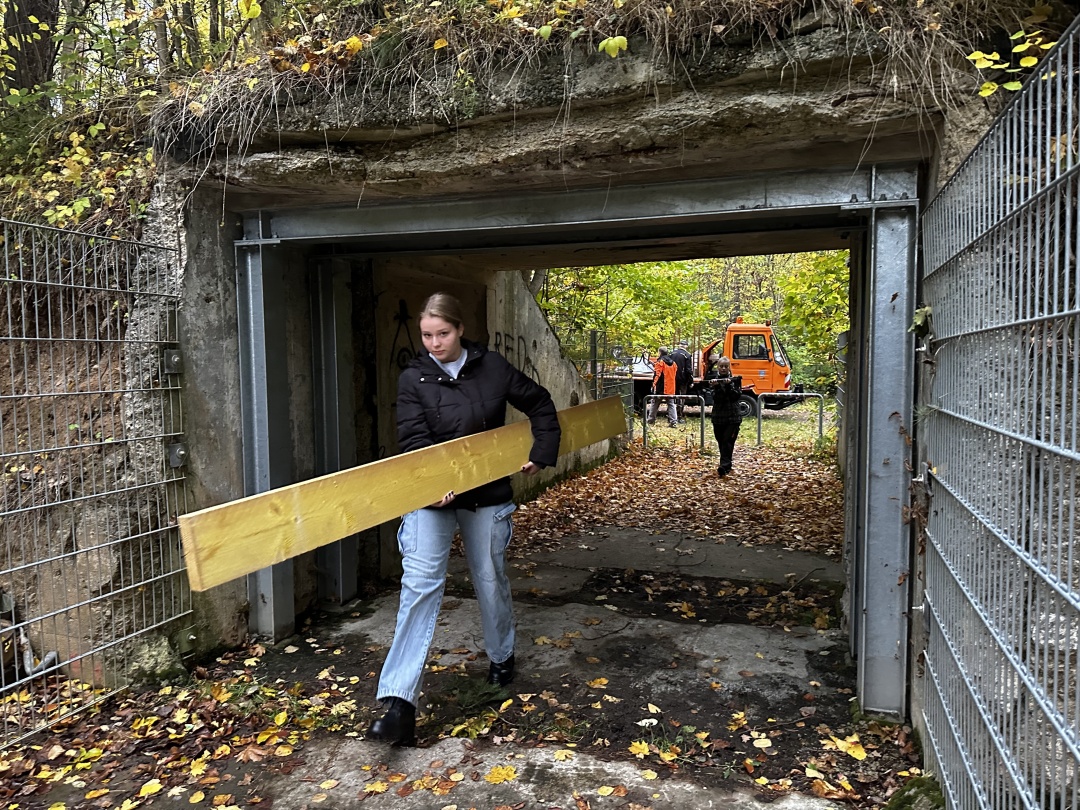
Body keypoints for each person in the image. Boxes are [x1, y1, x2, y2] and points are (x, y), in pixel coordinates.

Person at [366, 293, 562, 747]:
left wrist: (540, 452)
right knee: (419, 584)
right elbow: (413, 440)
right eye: (426, 335)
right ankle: (399, 703)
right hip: (432, 497)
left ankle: (501, 656)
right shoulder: (413, 377)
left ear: (460, 330)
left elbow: (540, 403)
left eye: (443, 334)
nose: (435, 343)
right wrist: (432, 484)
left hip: (486, 494)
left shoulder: (492, 367)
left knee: (489, 577)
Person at [708, 355, 743, 477]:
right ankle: (726, 464)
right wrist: (717, 386)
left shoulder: (735, 380)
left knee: (728, 441)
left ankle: (724, 466)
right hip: (718, 416)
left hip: (733, 417)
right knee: (721, 441)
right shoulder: (713, 381)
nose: (723, 368)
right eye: (721, 366)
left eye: (726, 366)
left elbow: (735, 396)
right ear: (718, 367)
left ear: (729, 367)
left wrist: (728, 386)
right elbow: (717, 398)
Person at [647, 347, 679, 427]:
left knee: (654, 403)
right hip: (670, 387)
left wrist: (653, 385)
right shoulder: (673, 363)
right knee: (671, 404)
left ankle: (651, 420)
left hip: (661, 388)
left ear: (660, 352)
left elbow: (657, 375)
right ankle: (673, 422)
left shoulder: (660, 362)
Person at [671, 339, 693, 421]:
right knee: (681, 398)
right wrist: (690, 381)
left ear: (679, 345)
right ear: (686, 346)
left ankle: (671, 416)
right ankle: (679, 416)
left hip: (672, 378)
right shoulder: (687, 355)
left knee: (672, 398)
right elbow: (688, 370)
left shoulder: (672, 353)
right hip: (682, 380)